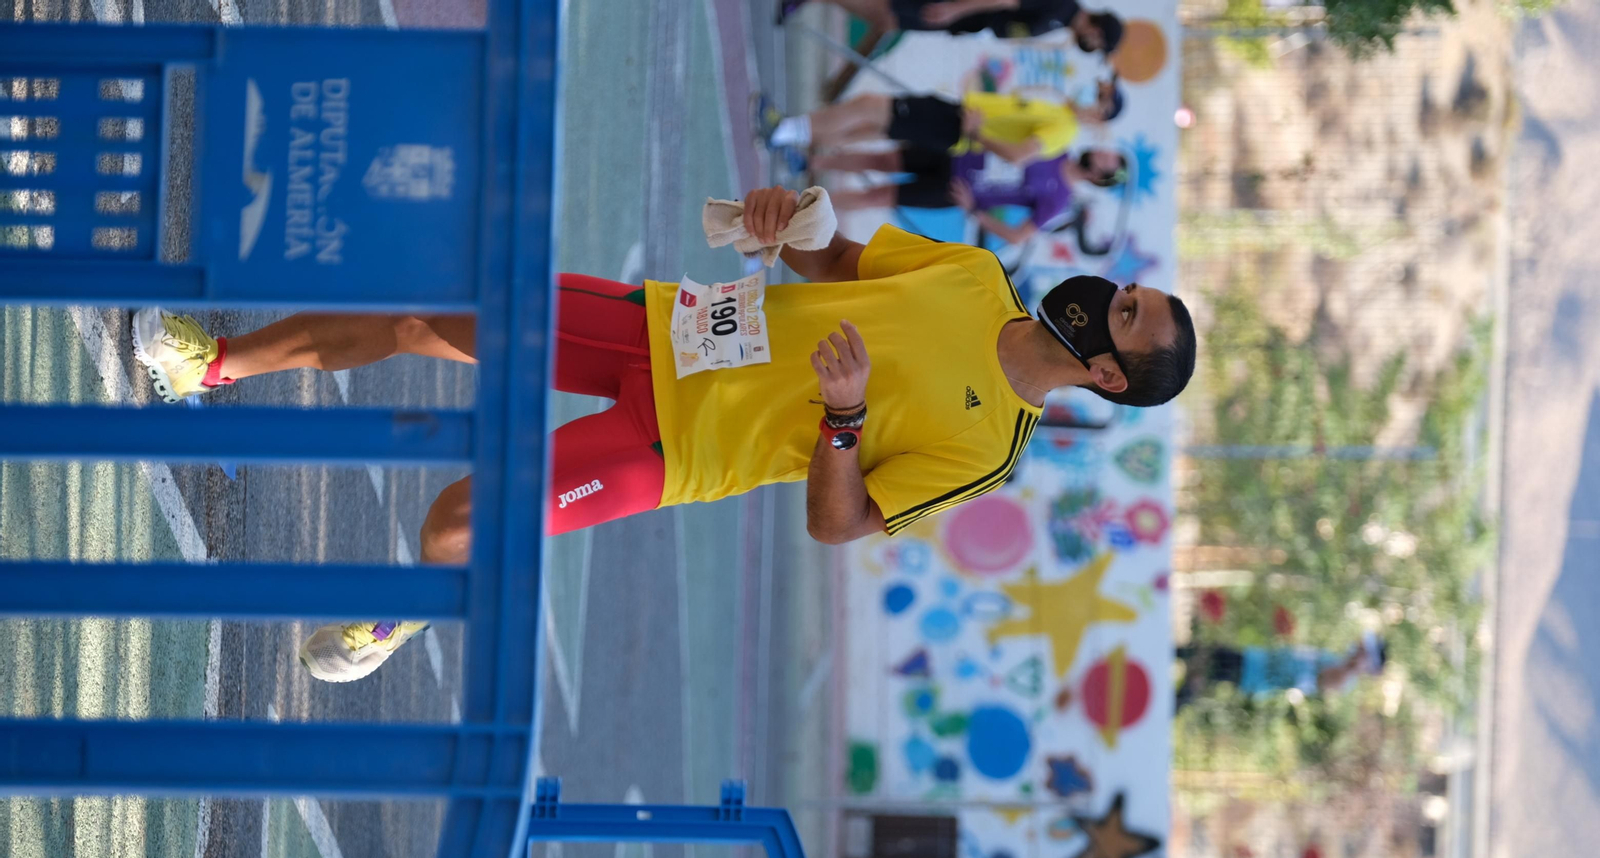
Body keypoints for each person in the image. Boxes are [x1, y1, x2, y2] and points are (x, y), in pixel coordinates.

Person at [132, 186, 1195, 680]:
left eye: (1129, 313)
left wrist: (844, 417)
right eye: (1134, 290)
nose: (1117, 291)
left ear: (1104, 374)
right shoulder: (972, 277)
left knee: (456, 525)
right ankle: (211, 363)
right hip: (672, 329)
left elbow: (840, 523)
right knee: (429, 316)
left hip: (679, 450)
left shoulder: (988, 455)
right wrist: (798, 220)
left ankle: (407, 620)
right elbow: (834, 263)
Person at [814, 146, 1128, 249]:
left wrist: (975, 211)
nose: (1100, 152)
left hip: (956, 192)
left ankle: (812, 205)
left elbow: (1019, 236)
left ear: (1101, 177)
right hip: (958, 154)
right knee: (882, 160)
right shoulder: (1056, 148)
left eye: (1107, 159)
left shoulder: (1059, 199)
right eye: (1106, 151)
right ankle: (813, 163)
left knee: (878, 196)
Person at [761, 86, 1109, 173]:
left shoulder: (1064, 128)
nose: (1090, 94)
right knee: (869, 126)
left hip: (957, 128)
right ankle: (794, 140)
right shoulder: (1061, 111)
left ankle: (784, 130)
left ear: (1099, 116)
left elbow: (1018, 156)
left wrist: (976, 132)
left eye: (1098, 98)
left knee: (869, 107)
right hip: (956, 119)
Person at [778, 0, 1124, 49]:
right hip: (964, 9)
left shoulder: (1060, 21)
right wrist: (956, 8)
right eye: (1099, 45)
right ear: (1098, 32)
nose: (1091, 47)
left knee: (886, 17)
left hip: (967, 19)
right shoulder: (1061, 6)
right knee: (886, 13)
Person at [1174, 632, 1388, 710]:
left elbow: (1323, 681)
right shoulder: (1337, 658)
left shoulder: (1344, 680)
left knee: (1205, 666)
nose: (1358, 647)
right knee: (1205, 656)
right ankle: (1164, 654)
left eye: (1364, 651)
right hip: (1255, 659)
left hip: (1255, 675)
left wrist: (1353, 667)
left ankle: (1170, 707)